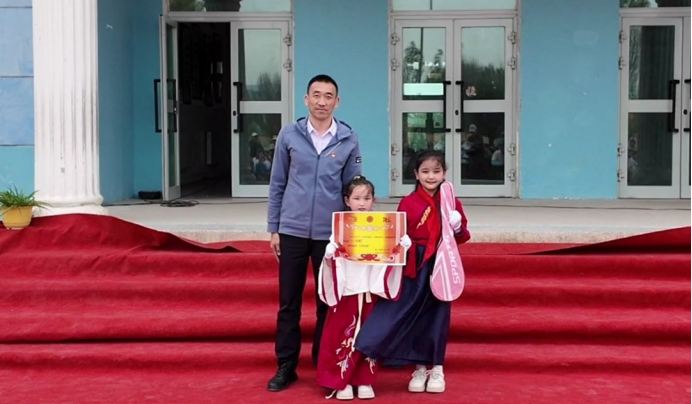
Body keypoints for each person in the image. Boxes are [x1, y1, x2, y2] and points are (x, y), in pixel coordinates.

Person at [266, 74, 362, 392]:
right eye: (316, 95)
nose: (322, 101)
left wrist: (351, 233)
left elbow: (353, 191)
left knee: (327, 302)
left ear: (337, 101)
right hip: (291, 230)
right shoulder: (289, 134)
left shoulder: (348, 138)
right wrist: (274, 228)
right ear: (306, 99)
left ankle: (324, 363)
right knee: (288, 302)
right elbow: (277, 183)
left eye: (328, 96)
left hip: (329, 235)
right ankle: (286, 365)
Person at [354, 150, 471, 394]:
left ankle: (436, 367)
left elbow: (462, 237)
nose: (431, 176)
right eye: (425, 171)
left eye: (436, 171)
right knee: (413, 314)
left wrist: (457, 224)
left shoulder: (451, 202)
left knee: (438, 316)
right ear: (416, 174)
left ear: (444, 173)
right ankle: (418, 367)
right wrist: (402, 243)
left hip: (440, 263)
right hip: (414, 264)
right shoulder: (408, 202)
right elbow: (395, 234)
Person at [315, 176, 412, 400]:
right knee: (341, 334)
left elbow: (388, 257)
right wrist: (330, 255)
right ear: (346, 200)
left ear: (373, 200)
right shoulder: (341, 226)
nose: (361, 203)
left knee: (368, 335)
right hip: (347, 290)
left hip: (369, 289)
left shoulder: (382, 226)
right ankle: (340, 380)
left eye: (366, 198)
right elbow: (334, 259)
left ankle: (364, 379)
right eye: (357, 198)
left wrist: (399, 246)